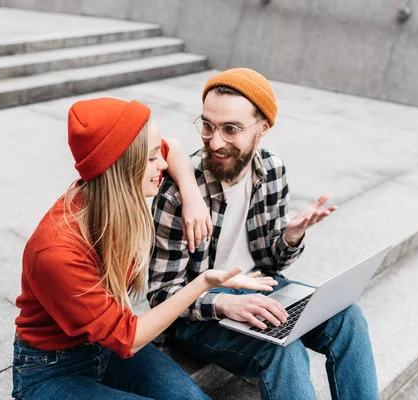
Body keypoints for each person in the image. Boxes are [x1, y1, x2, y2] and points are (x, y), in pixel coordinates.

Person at [12, 97, 277, 400]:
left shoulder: (110, 193)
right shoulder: (56, 252)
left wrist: (192, 197)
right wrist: (203, 282)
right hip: (52, 368)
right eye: (152, 157)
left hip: (105, 349)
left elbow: (173, 148)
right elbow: (129, 337)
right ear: (122, 166)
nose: (162, 164)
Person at [148, 69, 380, 400]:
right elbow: (161, 294)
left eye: (231, 129)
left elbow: (273, 262)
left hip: (261, 288)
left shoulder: (272, 170)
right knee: (283, 350)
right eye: (208, 125)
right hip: (199, 314)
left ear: (263, 129)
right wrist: (225, 302)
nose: (215, 142)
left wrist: (290, 238)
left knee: (349, 318)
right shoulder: (177, 195)